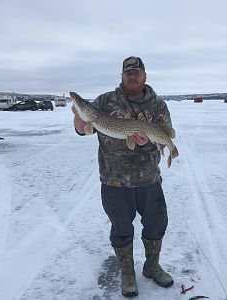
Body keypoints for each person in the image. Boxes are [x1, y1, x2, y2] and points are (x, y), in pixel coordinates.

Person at [72, 56, 174, 297]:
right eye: (128, 72)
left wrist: (149, 140)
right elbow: (81, 129)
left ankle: (152, 266)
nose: (132, 75)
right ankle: (127, 272)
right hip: (114, 180)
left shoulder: (157, 104)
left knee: (156, 224)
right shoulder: (104, 102)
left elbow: (166, 133)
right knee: (121, 228)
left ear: (144, 76)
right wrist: (78, 113)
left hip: (149, 178)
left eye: (137, 72)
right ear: (122, 76)